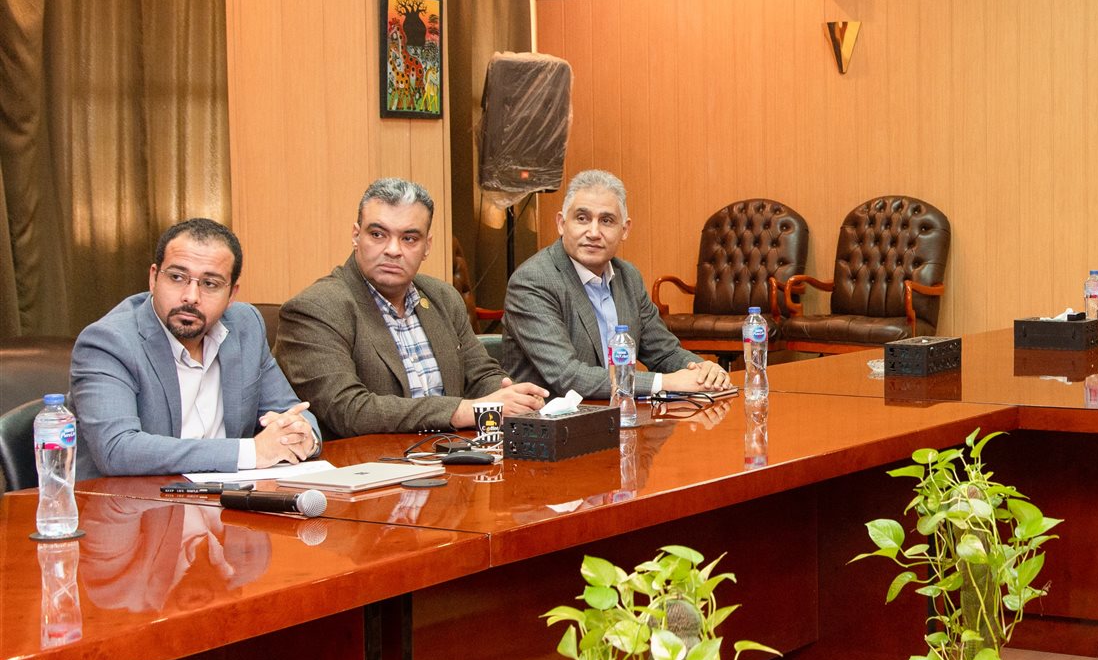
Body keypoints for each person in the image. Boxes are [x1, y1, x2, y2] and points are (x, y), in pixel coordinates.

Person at [275, 178, 547, 438]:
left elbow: (480, 375)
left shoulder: (443, 297)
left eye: (409, 238)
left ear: (427, 246)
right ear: (356, 236)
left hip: (452, 455)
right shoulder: (315, 309)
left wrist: (511, 396)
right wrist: (463, 411)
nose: (393, 250)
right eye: (378, 234)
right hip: (364, 463)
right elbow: (348, 410)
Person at [71, 218, 321, 477]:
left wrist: (303, 436)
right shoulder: (108, 342)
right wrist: (251, 452)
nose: (191, 297)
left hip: (229, 496)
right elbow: (117, 449)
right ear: (153, 278)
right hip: (134, 499)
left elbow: (291, 412)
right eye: (177, 277)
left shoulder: (245, 326)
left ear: (232, 295)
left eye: (210, 284)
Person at [501, 169, 731, 399]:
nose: (593, 232)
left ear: (625, 230)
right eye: (582, 218)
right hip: (551, 416)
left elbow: (664, 353)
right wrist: (666, 382)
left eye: (606, 221)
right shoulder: (533, 280)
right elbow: (569, 376)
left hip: (617, 413)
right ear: (561, 223)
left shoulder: (628, 276)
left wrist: (704, 371)